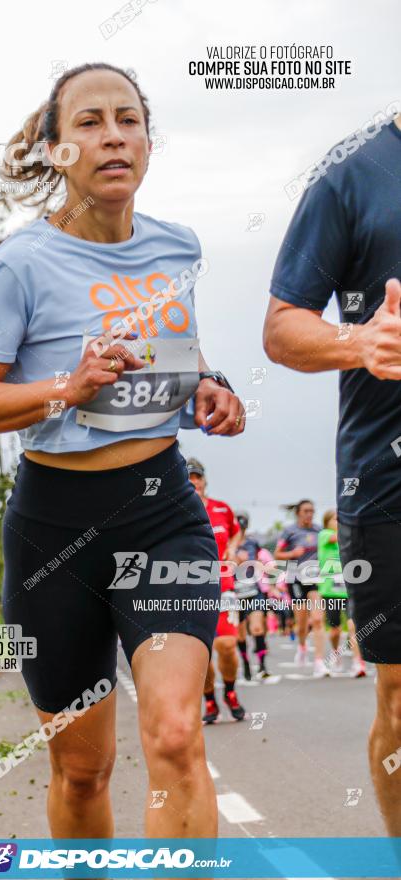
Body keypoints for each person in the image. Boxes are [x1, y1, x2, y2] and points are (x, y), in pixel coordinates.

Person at [0, 63, 245, 842]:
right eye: (87, 122)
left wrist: (207, 387)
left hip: (161, 517)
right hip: (53, 529)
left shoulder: (177, 247)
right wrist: (63, 390)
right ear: (53, 149)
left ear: (147, 139)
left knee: (176, 733)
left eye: (127, 119)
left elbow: (177, 356)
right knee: (84, 770)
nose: (112, 135)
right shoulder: (19, 265)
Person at [263, 108, 401, 833]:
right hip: (385, 481)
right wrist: (357, 341)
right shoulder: (352, 173)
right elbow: (282, 326)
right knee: (400, 700)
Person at [186, 459, 246, 722]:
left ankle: (230, 692)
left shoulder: (222, 509)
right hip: (188, 590)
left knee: (227, 644)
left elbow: (236, 531)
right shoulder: (172, 509)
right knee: (201, 653)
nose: (194, 482)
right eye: (188, 478)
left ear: (204, 480)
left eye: (197, 477)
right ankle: (209, 699)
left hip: (223, 587)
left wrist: (233, 549)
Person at [274, 500, 328, 677]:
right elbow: (277, 554)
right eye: (306, 511)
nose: (309, 514)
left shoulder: (319, 530)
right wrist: (292, 554)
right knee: (302, 622)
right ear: (298, 513)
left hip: (314, 579)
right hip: (295, 579)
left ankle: (319, 662)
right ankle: (302, 645)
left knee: (318, 619)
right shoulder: (289, 531)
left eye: (312, 511)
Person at [318, 510, 366, 678]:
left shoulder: (347, 538)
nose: (338, 522)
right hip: (330, 590)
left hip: (348, 589)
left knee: (354, 625)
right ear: (327, 522)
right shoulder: (325, 535)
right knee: (335, 630)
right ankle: (336, 653)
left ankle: (357, 662)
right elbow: (335, 537)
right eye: (335, 519)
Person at [235, 513, 271, 680]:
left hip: (253, 590)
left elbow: (258, 561)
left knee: (257, 628)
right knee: (240, 634)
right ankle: (246, 664)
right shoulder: (226, 543)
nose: (241, 530)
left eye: (243, 526)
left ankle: (262, 666)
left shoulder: (252, 543)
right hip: (234, 593)